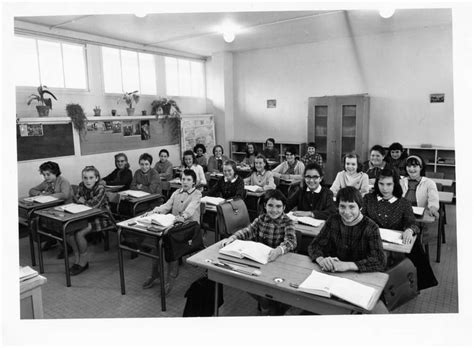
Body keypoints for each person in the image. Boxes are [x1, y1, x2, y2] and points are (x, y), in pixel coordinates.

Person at [220, 189, 297, 315]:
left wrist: (279, 250)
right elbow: (247, 231)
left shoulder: (287, 222)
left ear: (284, 207)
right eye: (270, 205)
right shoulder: (261, 218)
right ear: (265, 206)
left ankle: (268, 308)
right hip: (260, 261)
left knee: (267, 293)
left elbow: (291, 241)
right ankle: (266, 307)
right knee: (249, 283)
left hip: (279, 264)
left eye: (278, 206)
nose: (274, 210)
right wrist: (232, 238)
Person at [363, 168, 438, 290]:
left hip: (395, 244)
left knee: (415, 250)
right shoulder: (368, 198)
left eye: (389, 184)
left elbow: (412, 223)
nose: (385, 188)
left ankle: (405, 286)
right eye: (381, 184)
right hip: (372, 240)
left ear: (395, 185)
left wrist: (409, 230)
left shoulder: (403, 203)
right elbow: (362, 219)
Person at [142, 169, 202, 293]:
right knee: (156, 243)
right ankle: (155, 273)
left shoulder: (197, 194)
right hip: (175, 225)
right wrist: (153, 211)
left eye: (188, 180)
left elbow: (190, 210)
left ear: (194, 182)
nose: (185, 182)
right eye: (183, 179)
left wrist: (182, 217)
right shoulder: (176, 192)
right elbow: (166, 206)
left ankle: (171, 278)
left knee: (171, 244)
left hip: (189, 228)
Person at [308, 186, 386, 273]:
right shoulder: (333, 220)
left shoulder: (371, 227)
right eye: (342, 206)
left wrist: (348, 265)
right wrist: (322, 260)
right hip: (331, 272)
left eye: (352, 207)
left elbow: (379, 261)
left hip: (359, 276)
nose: (346, 212)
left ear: (360, 207)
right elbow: (314, 246)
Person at [67, 166, 114, 276]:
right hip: (85, 216)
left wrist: (82, 202)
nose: (88, 181)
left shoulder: (101, 189)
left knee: (79, 233)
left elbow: (93, 205)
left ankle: (83, 262)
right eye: (85, 178)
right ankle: (77, 257)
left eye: (91, 177)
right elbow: (76, 198)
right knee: (69, 232)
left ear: (96, 178)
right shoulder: (81, 186)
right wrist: (81, 201)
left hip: (102, 217)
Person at [29, 161, 73, 254]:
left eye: (48, 174)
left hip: (67, 209)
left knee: (51, 221)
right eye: (44, 175)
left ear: (55, 172)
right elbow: (32, 190)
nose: (45, 177)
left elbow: (65, 195)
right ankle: (50, 239)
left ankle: (67, 246)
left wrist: (49, 196)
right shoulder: (46, 182)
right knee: (36, 218)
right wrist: (40, 194)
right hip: (53, 209)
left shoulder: (63, 181)